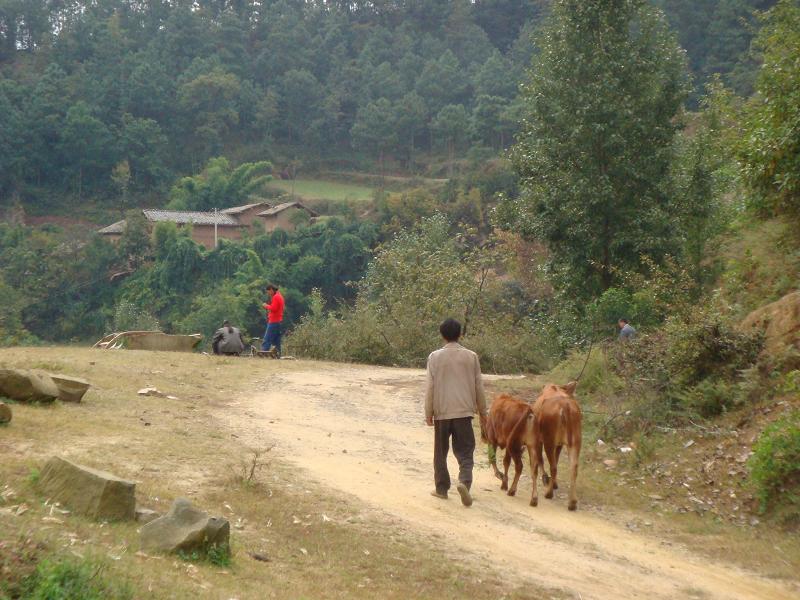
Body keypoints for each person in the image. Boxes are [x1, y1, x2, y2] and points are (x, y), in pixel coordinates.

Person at [424, 318, 487, 507]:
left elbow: (430, 387)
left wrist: (429, 412)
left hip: (442, 412)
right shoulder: (471, 356)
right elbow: (479, 386)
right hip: (464, 412)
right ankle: (464, 482)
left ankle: (442, 489)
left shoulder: (434, 357)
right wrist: (483, 411)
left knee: (440, 452)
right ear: (460, 334)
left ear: (442, 335)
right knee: (466, 451)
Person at [261, 284, 285, 356]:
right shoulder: (280, 296)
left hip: (274, 322)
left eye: (268, 292)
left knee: (267, 339)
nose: (268, 294)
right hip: (279, 321)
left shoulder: (276, 297)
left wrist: (266, 306)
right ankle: (278, 355)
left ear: (271, 289)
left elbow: (274, 308)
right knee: (276, 340)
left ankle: (263, 354)